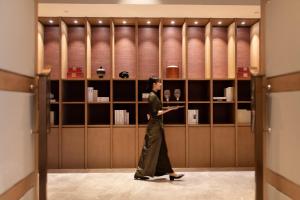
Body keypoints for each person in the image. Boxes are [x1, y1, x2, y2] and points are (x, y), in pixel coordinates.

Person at [134, 76, 184, 181]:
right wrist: (170, 109)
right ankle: (139, 173)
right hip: (155, 128)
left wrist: (169, 108)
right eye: (159, 82)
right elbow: (155, 113)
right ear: (154, 84)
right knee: (150, 150)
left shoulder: (153, 95)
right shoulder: (152, 96)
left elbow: (152, 112)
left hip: (156, 127)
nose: (161, 84)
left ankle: (171, 172)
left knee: (161, 151)